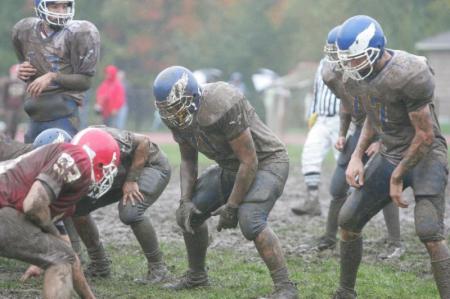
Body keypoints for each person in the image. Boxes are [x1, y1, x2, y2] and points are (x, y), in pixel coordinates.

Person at [153, 66, 297, 299]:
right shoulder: (176, 117)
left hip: (267, 161)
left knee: (250, 220)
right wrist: (185, 200)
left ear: (192, 97)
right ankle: (197, 275)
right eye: (167, 110)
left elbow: (249, 161)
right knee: (188, 213)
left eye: (176, 107)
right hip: (231, 167)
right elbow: (188, 161)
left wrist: (231, 207)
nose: (173, 115)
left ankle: (285, 287)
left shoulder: (222, 102)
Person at [332, 15, 450, 298]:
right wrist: (357, 156)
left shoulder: (411, 72)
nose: (350, 66)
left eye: (356, 59)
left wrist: (396, 176)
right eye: (347, 60)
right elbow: (375, 113)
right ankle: (345, 291)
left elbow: (424, 136)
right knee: (348, 220)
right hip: (391, 152)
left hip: (427, 154)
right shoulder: (355, 77)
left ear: (376, 48)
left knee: (428, 230)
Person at [304, 26, 403, 259]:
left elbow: (390, 109)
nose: (337, 59)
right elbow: (346, 104)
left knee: (384, 181)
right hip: (360, 127)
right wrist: (342, 132)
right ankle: (330, 236)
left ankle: (396, 241)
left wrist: (382, 140)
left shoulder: (376, 68)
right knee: (338, 185)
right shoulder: (331, 73)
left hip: (386, 127)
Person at [0, 127, 120, 299]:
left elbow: (71, 256)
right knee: (60, 258)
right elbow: (34, 204)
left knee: (63, 256)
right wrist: (53, 236)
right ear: (100, 162)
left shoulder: (62, 195)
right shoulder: (79, 158)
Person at [69, 125, 172, 282]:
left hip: (148, 165)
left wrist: (132, 179)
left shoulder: (112, 139)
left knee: (130, 211)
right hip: (116, 172)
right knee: (76, 207)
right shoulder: (75, 150)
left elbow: (144, 141)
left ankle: (158, 268)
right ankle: (99, 265)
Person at [12, 0, 100, 143]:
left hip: (63, 115)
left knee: (61, 161)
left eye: (65, 6)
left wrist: (52, 77)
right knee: (32, 162)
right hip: (35, 114)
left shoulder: (80, 32)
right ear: (40, 7)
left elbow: (85, 81)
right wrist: (22, 70)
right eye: (55, 6)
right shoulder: (24, 30)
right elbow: (25, 65)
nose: (61, 11)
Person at [290, 58, 340, 216]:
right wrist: (312, 113)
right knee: (310, 155)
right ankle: (312, 200)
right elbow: (317, 90)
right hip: (321, 118)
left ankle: (350, 203)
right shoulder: (323, 62)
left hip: (341, 119)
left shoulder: (350, 62)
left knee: (343, 161)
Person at [0, 65, 26, 139]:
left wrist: (23, 108)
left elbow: (24, 98)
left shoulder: (23, 84)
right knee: (9, 125)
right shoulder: (7, 83)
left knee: (15, 126)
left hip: (18, 107)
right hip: (9, 107)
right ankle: (5, 140)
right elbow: (2, 95)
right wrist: (2, 107)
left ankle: (12, 140)